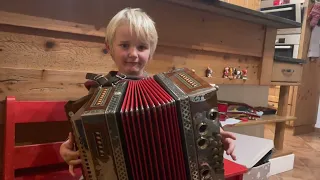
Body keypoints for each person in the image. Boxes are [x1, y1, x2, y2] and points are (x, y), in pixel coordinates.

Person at [59, 7, 237, 177]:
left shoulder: (172, 93)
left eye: (141, 47)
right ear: (109, 47)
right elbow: (79, 142)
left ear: (151, 51)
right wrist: (67, 151)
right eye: (124, 45)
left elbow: (200, 120)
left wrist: (217, 135)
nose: (133, 54)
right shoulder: (99, 93)